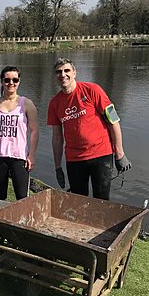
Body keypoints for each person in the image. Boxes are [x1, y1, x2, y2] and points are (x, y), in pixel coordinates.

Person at [47, 58, 132, 200]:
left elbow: (114, 121)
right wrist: (57, 167)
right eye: (58, 72)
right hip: (74, 159)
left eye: (67, 70)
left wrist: (119, 153)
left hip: (101, 155)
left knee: (102, 200)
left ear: (74, 73)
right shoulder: (54, 103)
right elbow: (57, 137)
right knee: (79, 201)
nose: (63, 75)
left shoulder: (93, 90)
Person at [0, 66, 39, 200]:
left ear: (19, 81)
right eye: (7, 80)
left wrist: (31, 155)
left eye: (15, 80)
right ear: (2, 81)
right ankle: (0, 220)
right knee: (0, 195)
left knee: (22, 197)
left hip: (19, 157)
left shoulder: (26, 104)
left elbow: (34, 131)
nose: (11, 83)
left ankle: (21, 221)